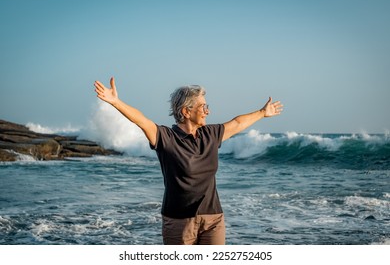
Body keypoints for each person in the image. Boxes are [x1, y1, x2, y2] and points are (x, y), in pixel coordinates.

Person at [94, 77, 283, 245]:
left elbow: (237, 123)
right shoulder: (166, 138)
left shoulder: (210, 134)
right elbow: (141, 121)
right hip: (179, 221)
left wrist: (262, 112)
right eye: (203, 107)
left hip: (213, 219)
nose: (207, 111)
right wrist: (115, 102)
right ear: (186, 111)